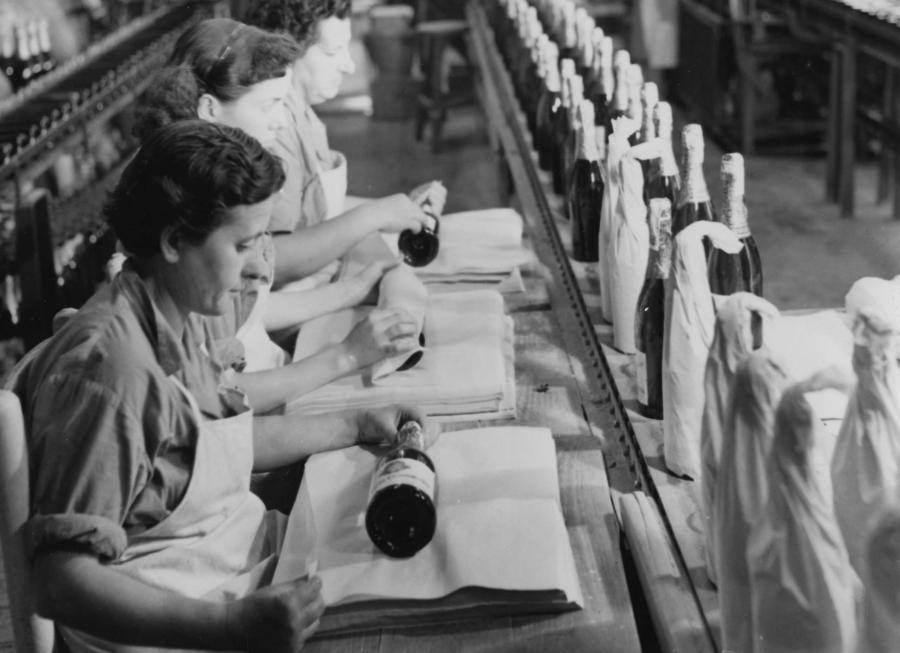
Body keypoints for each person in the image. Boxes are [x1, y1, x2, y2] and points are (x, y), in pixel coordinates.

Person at [8, 121, 425, 652]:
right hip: (188, 627)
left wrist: (355, 423)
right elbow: (61, 583)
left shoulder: (180, 311)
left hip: (235, 578)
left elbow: (216, 449)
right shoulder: (112, 375)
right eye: (244, 244)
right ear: (175, 241)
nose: (259, 266)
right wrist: (231, 628)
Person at [134, 18, 424, 411]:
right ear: (209, 109)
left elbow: (248, 313)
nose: (281, 119)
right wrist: (346, 356)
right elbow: (215, 397)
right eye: (271, 105)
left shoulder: (221, 190)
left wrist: (350, 292)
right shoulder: (190, 214)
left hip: (263, 381)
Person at [242, 0, 447, 286]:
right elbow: (271, 260)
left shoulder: (304, 113)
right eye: (332, 52)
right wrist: (374, 215)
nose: (349, 65)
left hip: (318, 281)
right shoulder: (273, 132)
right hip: (289, 302)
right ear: (286, 53)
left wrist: (397, 210)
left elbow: (319, 209)